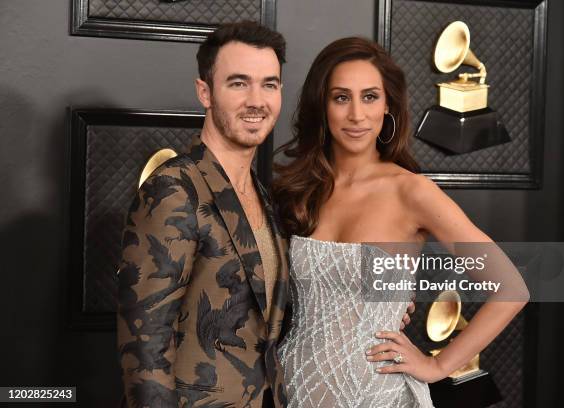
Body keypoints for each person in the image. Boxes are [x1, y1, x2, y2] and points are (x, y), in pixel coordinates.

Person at [272, 37, 528, 407]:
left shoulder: (411, 192)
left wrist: (437, 365)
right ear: (322, 106)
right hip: (291, 386)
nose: (357, 115)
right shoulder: (300, 189)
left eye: (370, 97)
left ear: (387, 105)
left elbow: (511, 289)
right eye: (341, 97)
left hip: (375, 394)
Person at [117, 21, 290, 408]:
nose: (256, 100)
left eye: (269, 84)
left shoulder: (263, 194)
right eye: (238, 83)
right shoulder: (173, 188)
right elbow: (145, 344)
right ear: (205, 92)